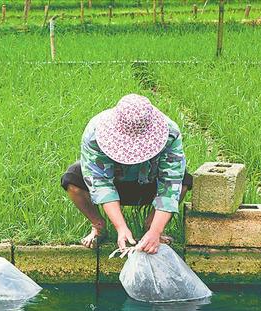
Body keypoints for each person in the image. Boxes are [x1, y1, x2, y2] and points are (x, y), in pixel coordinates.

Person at [61, 94, 192, 254]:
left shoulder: (170, 133)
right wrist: (121, 227)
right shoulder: (95, 133)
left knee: (183, 179)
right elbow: (100, 182)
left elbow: (170, 184)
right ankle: (99, 226)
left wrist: (155, 231)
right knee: (72, 178)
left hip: (149, 182)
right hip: (116, 181)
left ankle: (151, 227)